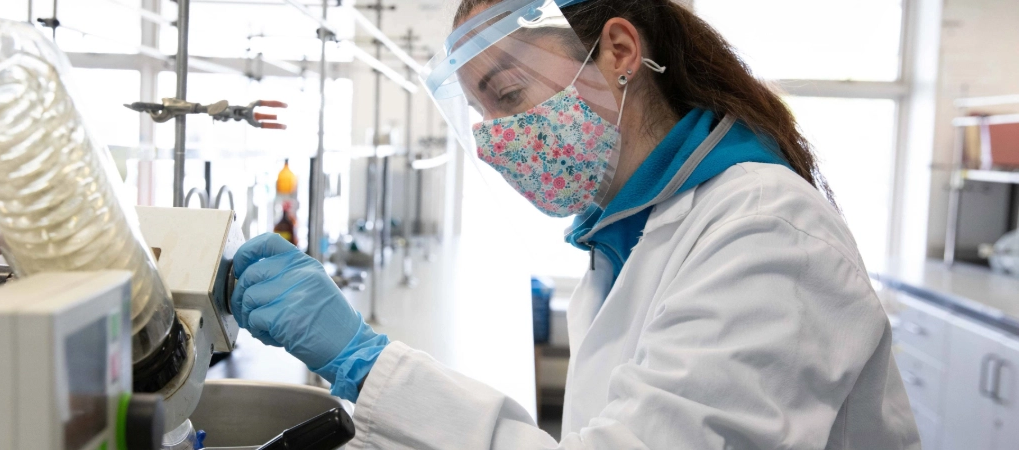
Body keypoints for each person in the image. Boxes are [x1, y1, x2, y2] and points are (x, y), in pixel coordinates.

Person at [230, 0, 921, 447]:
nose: (497, 139)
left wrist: (367, 363)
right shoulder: (625, 237)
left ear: (620, 52)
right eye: (480, 115)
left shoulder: (769, 236)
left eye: (506, 94)